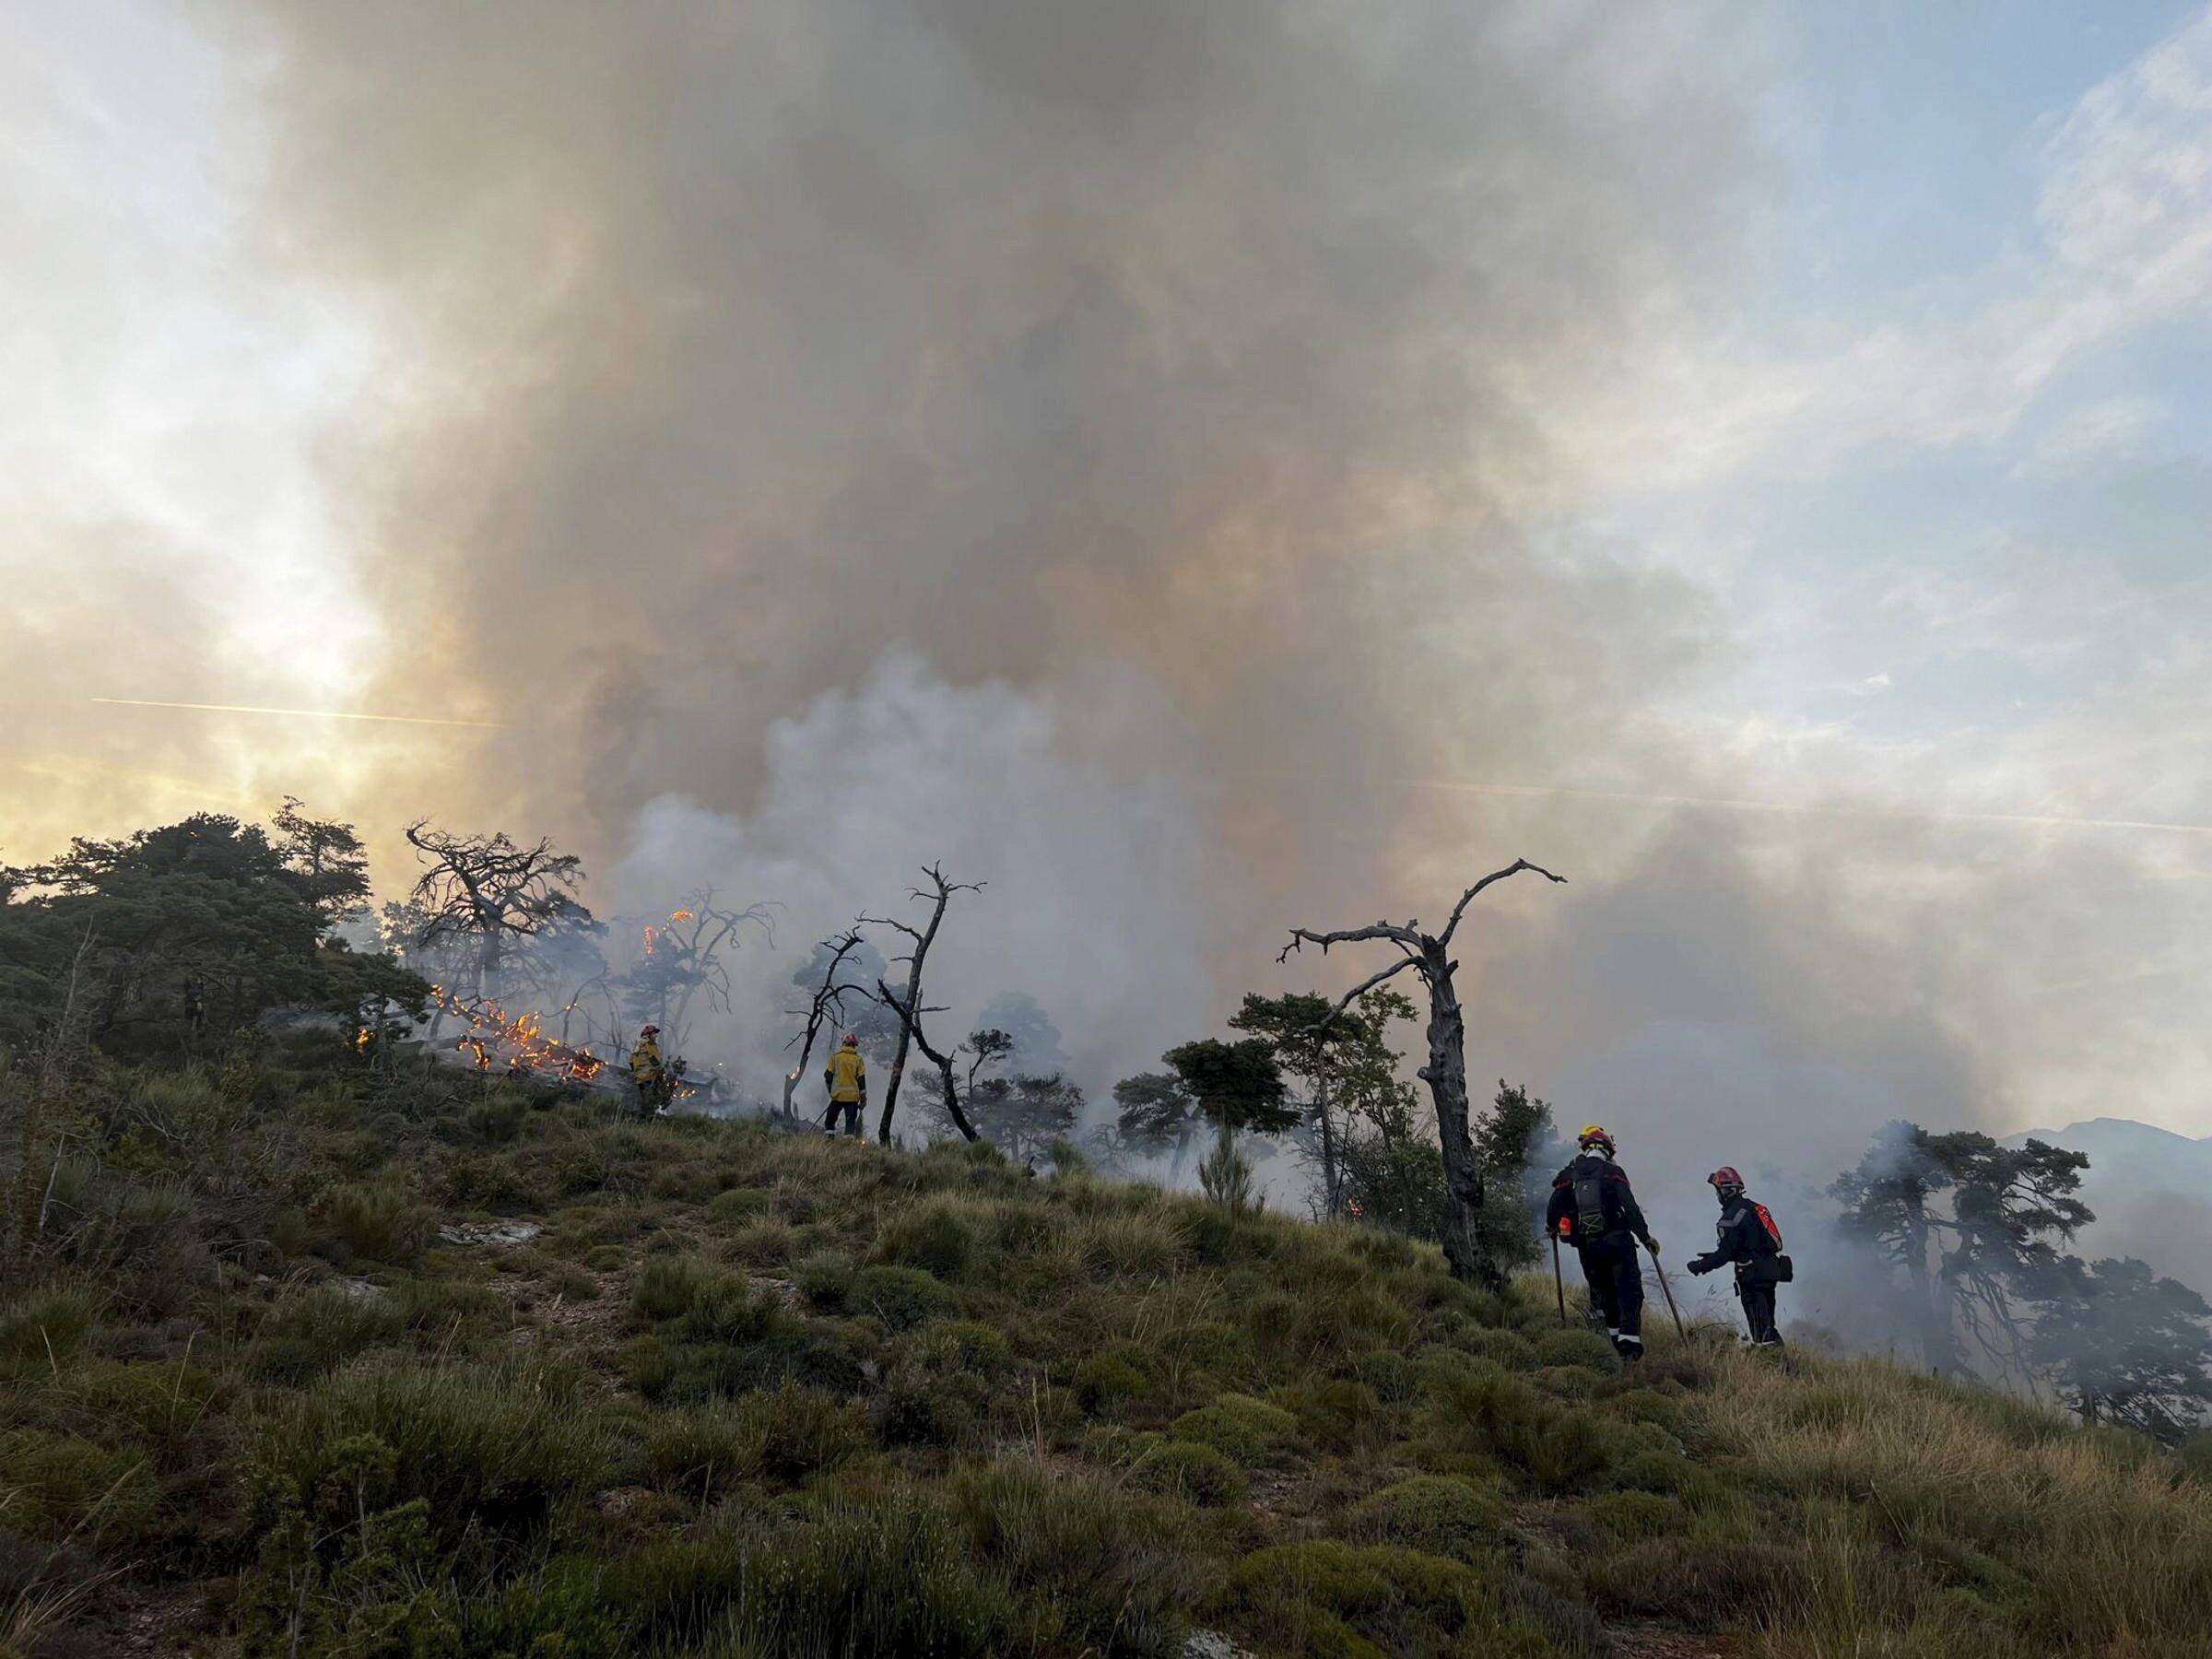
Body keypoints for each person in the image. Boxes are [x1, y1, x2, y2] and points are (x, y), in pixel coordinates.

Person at [1546, 1124, 1660, 1359]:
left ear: (1585, 1148)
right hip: (1619, 1243)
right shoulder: (1612, 1172)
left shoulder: (1571, 1174)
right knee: (1628, 1292)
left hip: (1590, 1247)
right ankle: (1629, 1349)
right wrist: (1645, 1237)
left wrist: (1551, 1226)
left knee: (1603, 1294)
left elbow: (1554, 1205)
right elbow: (1631, 1209)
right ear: (1607, 1150)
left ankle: (1609, 1344)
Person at [1688, 1166, 1788, 1347]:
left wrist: (1700, 1266)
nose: (1717, 1195)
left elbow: (1725, 1254)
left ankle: (1781, 1368)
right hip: (1770, 1273)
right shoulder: (1757, 1208)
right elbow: (1758, 1244)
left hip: (1752, 1277)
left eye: (1718, 1190)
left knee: (1760, 1331)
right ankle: (1784, 1364)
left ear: (1726, 1191)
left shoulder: (1730, 1218)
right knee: (1768, 1325)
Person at [823, 1031, 867, 1138]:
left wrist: (830, 1091)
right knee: (850, 1125)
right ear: (854, 1045)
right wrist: (863, 1099)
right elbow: (861, 1081)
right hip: (852, 1099)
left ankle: (829, 1143)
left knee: (830, 1122)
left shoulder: (835, 1058)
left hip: (837, 1097)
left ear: (843, 1044)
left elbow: (828, 1077)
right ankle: (847, 1148)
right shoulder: (858, 1060)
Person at [629, 1024, 668, 1116]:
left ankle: (643, 1117)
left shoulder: (637, 1043)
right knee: (655, 1099)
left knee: (645, 1098)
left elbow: (631, 1061)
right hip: (649, 1076)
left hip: (639, 1078)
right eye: (654, 1034)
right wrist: (662, 1069)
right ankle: (649, 1118)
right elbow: (656, 1059)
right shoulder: (650, 1043)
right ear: (649, 1034)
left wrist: (635, 1072)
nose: (655, 1036)